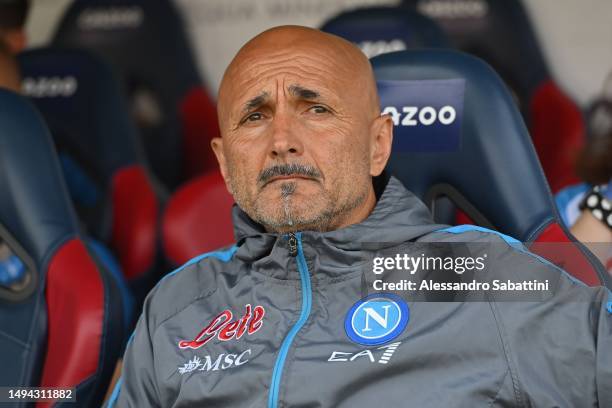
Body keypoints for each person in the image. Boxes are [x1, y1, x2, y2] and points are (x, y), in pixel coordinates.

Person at [108, 26, 611, 407]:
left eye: (316, 109)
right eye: (254, 116)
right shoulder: (177, 307)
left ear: (378, 145)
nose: (282, 139)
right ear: (223, 161)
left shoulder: (482, 275)